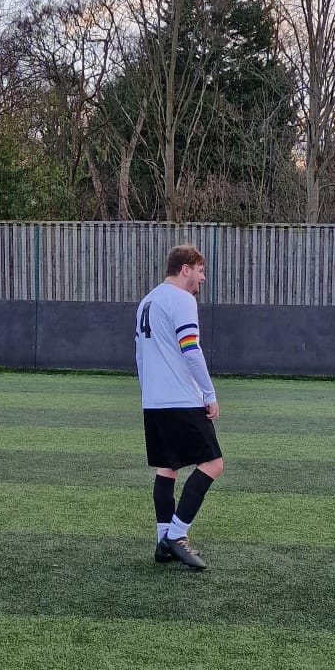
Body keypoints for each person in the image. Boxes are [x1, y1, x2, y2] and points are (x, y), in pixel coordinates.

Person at [136, 244, 224, 570]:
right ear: (185, 268)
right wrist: (209, 393)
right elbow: (191, 349)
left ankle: (163, 541)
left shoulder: (147, 301)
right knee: (213, 463)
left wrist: (148, 394)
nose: (203, 278)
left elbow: (140, 356)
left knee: (167, 467)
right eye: (200, 270)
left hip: (154, 401)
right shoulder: (182, 299)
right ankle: (177, 534)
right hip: (180, 399)